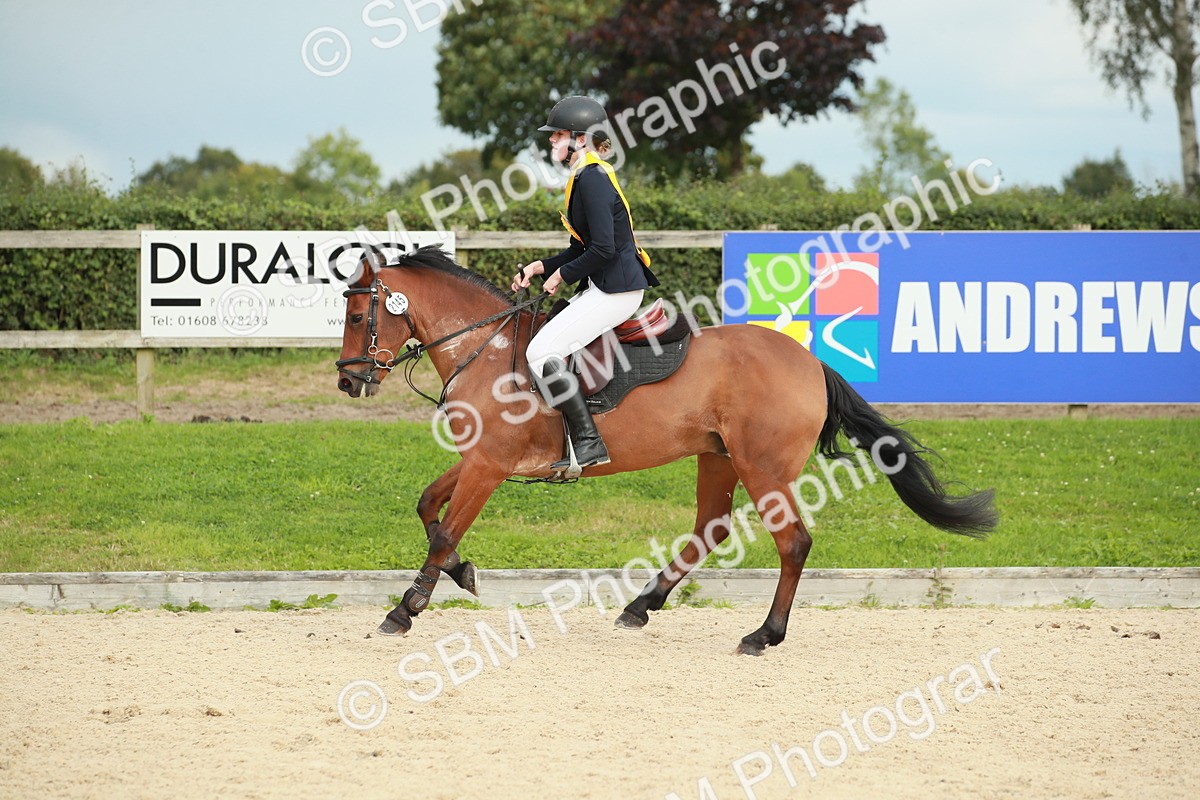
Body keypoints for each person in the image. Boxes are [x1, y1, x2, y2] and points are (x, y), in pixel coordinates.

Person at [511, 95, 659, 470]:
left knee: (540, 353)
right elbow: (582, 248)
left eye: (556, 134)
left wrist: (563, 275)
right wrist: (541, 267)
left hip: (617, 290)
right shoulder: (584, 176)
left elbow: (605, 249)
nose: (550, 141)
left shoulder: (592, 178)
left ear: (579, 137)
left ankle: (590, 444)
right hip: (604, 286)